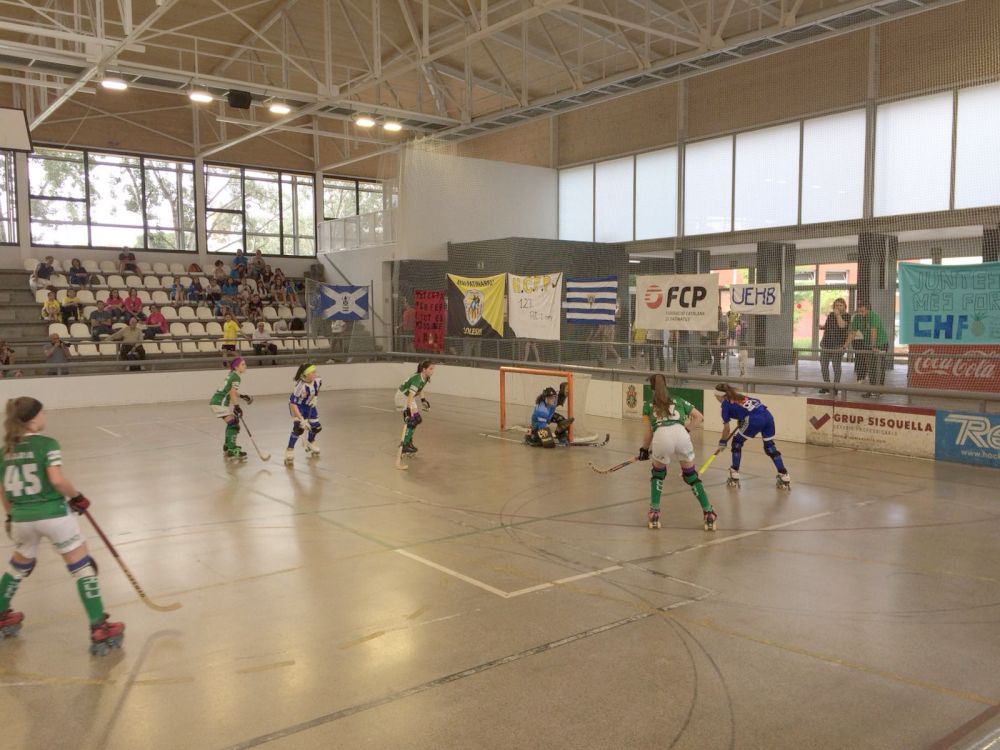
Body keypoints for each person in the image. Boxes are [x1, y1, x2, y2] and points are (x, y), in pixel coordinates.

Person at [0, 397, 125, 654]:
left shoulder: (5, 451)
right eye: (43, 413)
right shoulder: (47, 444)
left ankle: (1, 614)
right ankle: (99, 627)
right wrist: (77, 496)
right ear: (34, 418)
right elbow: (57, 480)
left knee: (18, 567)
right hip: (54, 515)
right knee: (82, 567)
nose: (45, 417)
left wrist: (12, 516)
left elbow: (3, 491)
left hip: (22, 518)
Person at [638, 374, 716, 530]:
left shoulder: (647, 405)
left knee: (658, 474)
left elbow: (648, 434)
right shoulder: (679, 400)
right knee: (691, 476)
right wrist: (686, 430)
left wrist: (644, 450)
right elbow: (699, 417)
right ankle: (709, 513)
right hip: (681, 435)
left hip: (661, 437)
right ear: (666, 385)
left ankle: (654, 513)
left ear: (651, 388)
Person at [715, 383, 791, 490]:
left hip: (755, 420)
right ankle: (784, 475)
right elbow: (755, 404)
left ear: (721, 396)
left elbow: (727, 429)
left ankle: (734, 472)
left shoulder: (725, 406)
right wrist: (742, 419)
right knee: (770, 447)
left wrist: (722, 442)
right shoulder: (740, 397)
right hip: (768, 416)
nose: (715, 398)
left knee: (737, 443)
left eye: (716, 396)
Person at [208, 357, 252, 461]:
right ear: (236, 367)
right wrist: (237, 407)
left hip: (216, 402)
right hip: (220, 403)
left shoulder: (232, 375)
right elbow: (232, 393)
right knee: (234, 424)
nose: (245, 366)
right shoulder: (236, 377)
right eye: (243, 364)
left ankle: (228, 445)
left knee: (232, 423)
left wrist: (242, 396)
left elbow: (231, 391)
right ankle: (232, 449)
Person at [285, 363, 322, 465]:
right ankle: (289, 449)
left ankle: (311, 441)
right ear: (306, 374)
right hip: (298, 406)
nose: (315, 374)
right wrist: (301, 419)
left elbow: (318, 389)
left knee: (316, 427)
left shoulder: (318, 380)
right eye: (313, 372)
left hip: (310, 405)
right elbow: (293, 403)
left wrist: (315, 398)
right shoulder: (300, 386)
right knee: (299, 428)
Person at [850, 301, 888, 399]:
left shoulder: (873, 316)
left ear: (868, 310)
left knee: (879, 367)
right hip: (868, 344)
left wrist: (873, 346)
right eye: (859, 311)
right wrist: (845, 345)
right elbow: (852, 333)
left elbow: (873, 332)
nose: (861, 314)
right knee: (871, 368)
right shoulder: (857, 317)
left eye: (863, 311)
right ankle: (871, 390)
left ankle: (880, 390)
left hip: (881, 343)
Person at [395, 360, 433, 455]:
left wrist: (423, 400)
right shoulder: (417, 379)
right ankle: (404, 446)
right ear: (424, 370)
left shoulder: (425, 377)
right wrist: (407, 409)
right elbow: (411, 395)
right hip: (402, 397)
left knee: (417, 419)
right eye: (431, 369)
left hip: (408, 398)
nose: (433, 371)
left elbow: (420, 389)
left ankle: (408, 442)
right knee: (412, 421)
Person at [818, 298, 850, 393]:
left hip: (838, 345)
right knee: (824, 365)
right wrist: (822, 327)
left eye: (840, 305)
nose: (838, 307)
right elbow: (827, 327)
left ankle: (836, 386)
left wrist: (838, 315)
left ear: (844, 306)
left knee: (836, 366)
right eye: (836, 305)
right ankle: (827, 385)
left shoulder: (847, 316)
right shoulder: (831, 315)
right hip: (826, 344)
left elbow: (842, 325)